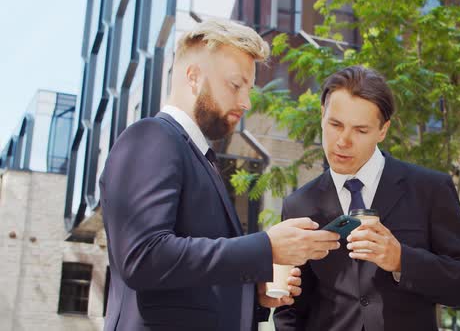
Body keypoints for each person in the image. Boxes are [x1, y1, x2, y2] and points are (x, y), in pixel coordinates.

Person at [99, 19, 340, 331]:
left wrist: (253, 294)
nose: (246, 102)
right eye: (235, 85)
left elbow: (187, 281)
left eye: (249, 89)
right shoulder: (151, 138)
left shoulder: (198, 157)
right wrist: (266, 247)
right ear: (194, 77)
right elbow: (143, 257)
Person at [273, 66, 460, 330]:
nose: (343, 141)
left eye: (360, 130)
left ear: (383, 130)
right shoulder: (298, 205)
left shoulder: (429, 188)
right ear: (322, 116)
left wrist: (401, 260)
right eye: (335, 124)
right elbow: (290, 311)